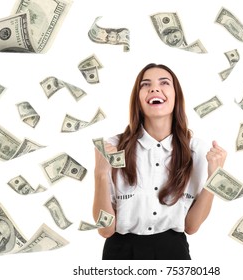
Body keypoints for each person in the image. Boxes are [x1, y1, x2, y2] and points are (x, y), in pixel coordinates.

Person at [93, 63, 227, 260]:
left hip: (173, 252)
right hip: (120, 253)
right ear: (138, 100)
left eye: (164, 83)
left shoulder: (196, 150)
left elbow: (191, 227)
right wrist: (101, 173)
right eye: (145, 85)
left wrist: (215, 178)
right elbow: (105, 230)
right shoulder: (113, 147)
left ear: (176, 96)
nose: (154, 88)